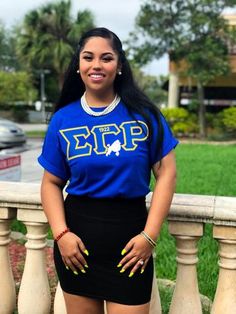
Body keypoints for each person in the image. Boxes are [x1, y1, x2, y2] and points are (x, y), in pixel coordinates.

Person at [38, 27, 178, 314]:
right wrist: (61, 234)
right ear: (78, 65)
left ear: (120, 65)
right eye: (88, 57)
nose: (97, 65)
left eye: (107, 58)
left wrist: (149, 236)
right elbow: (51, 182)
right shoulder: (63, 120)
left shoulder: (145, 115)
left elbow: (167, 174)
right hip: (77, 249)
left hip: (131, 245)